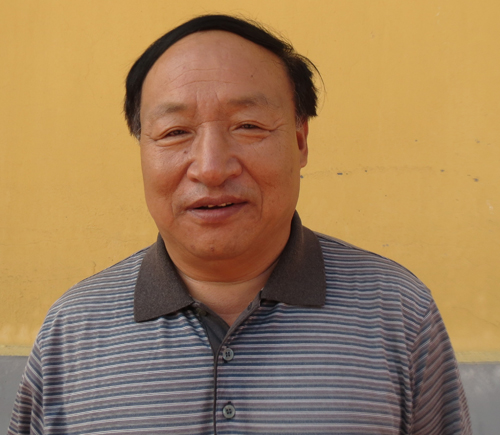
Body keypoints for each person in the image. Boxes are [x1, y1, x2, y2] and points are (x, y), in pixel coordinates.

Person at [9, 14, 471, 435]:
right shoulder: (74, 331)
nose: (211, 168)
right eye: (175, 132)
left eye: (248, 125)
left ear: (300, 140)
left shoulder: (397, 313)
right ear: (143, 150)